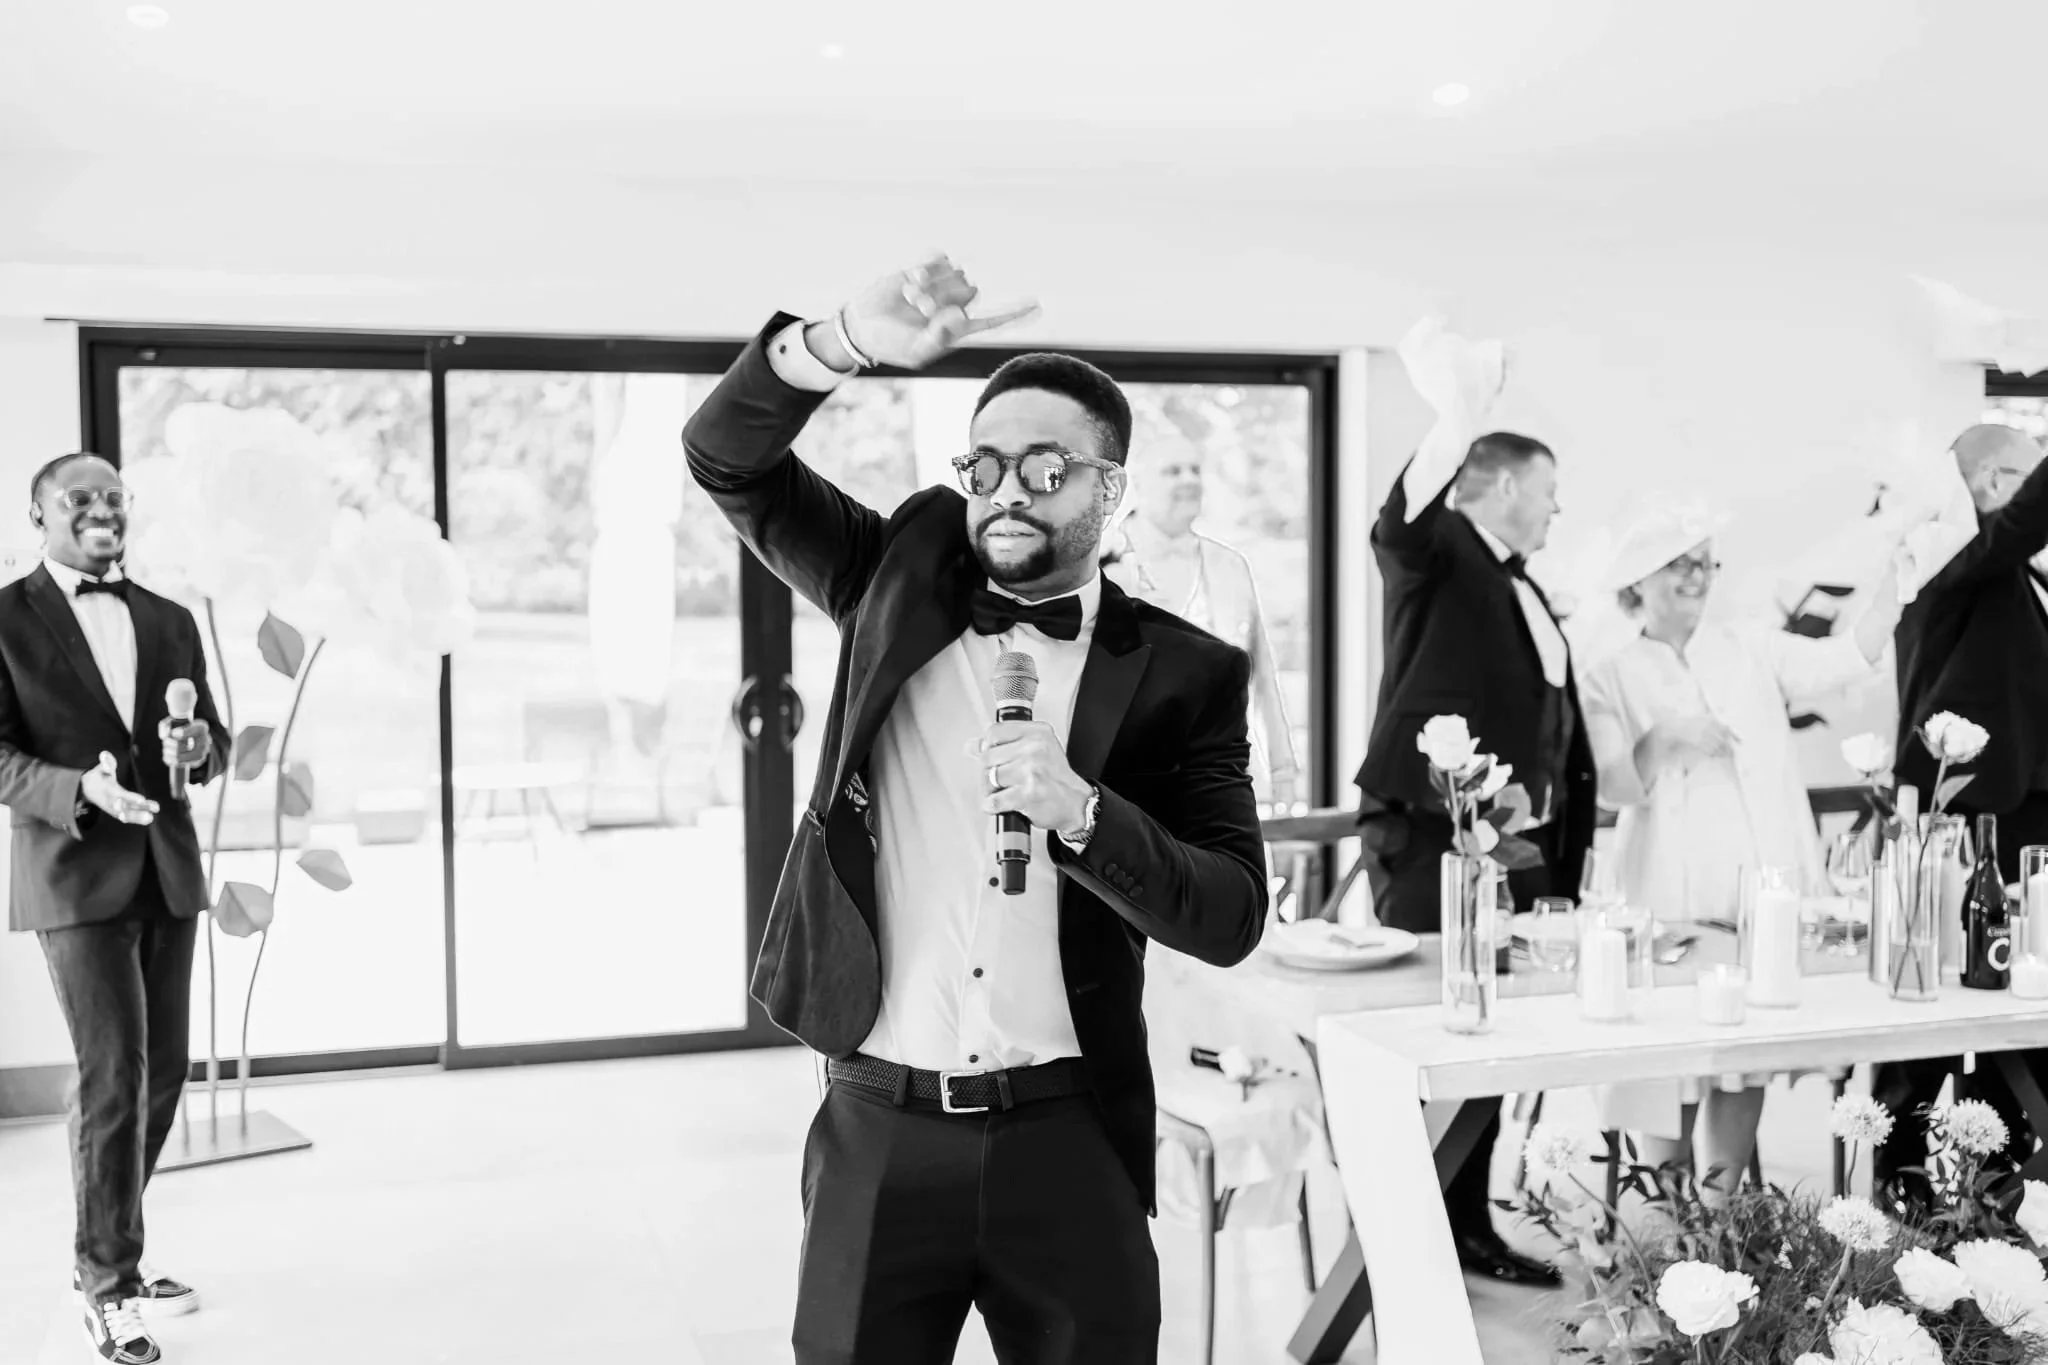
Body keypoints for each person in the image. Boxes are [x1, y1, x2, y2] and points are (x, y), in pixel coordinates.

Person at [683, 256, 1268, 1365]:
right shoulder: (891, 576)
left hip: (1071, 1140)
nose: (1008, 491)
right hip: (876, 1130)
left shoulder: (1188, 673)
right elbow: (725, 456)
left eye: (1045, 467)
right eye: (984, 465)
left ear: (1110, 489)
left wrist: (1082, 814)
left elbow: (1231, 912)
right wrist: (845, 339)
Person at [1580, 496, 1903, 1188]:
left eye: (1706, 563)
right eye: (1679, 565)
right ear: (1637, 579)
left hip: (1757, 894)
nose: (1697, 577)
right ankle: (1666, 1212)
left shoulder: (1751, 645)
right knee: (1666, 1056)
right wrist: (1663, 739)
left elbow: (1847, 657)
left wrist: (1897, 583)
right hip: (1666, 895)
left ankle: (1723, 1215)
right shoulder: (1610, 671)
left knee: (1741, 1058)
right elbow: (1612, 787)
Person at [1354, 431, 1596, 1286]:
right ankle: (1413, 1231)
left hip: (1513, 841)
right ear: (1502, 487)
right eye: (1548, 489)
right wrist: (1456, 415)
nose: (1557, 507)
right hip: (1434, 834)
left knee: (1493, 1029)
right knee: (1436, 1028)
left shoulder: (1515, 578)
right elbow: (1397, 526)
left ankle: (1462, 1223)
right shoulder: (1441, 547)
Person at [0, 453, 227, 1365]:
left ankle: (107, 1250)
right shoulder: (4, 620)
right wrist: (79, 790)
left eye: (114, 497)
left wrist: (199, 746)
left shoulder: (170, 619)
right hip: (72, 871)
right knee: (112, 1078)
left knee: (162, 1071)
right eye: (79, 498)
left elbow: (208, 747)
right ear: (40, 514)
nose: (101, 509)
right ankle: (108, 1283)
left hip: (166, 869)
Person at [1875, 423, 2048, 1201]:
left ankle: (1998, 1187)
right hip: (1963, 818)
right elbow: (2018, 529)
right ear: (1992, 482)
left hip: (2023, 816)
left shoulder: (2016, 578)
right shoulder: (1948, 552)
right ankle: (1901, 1191)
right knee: (1931, 1023)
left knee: (2016, 1005)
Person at [1102, 431, 1302, 808]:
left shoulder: (1231, 565)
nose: (1189, 480)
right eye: (1173, 471)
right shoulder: (1101, 564)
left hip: (1223, 776)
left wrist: (1282, 774)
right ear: (1139, 483)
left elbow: (1262, 677)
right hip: (1125, 780)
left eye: (1195, 470)